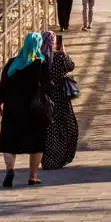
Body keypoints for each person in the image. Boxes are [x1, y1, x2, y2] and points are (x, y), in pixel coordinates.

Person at [0, 32, 52, 187]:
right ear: (38, 45)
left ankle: (10, 170)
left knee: (9, 142)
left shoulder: (13, 63)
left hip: (12, 108)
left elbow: (3, 84)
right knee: (36, 143)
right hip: (34, 110)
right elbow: (48, 86)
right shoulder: (41, 63)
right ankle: (32, 176)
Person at [40, 31, 79, 170]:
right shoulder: (60, 57)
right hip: (61, 98)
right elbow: (71, 66)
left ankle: (48, 159)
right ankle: (61, 157)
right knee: (66, 127)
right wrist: (63, 51)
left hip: (44, 99)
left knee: (49, 129)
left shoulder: (38, 59)